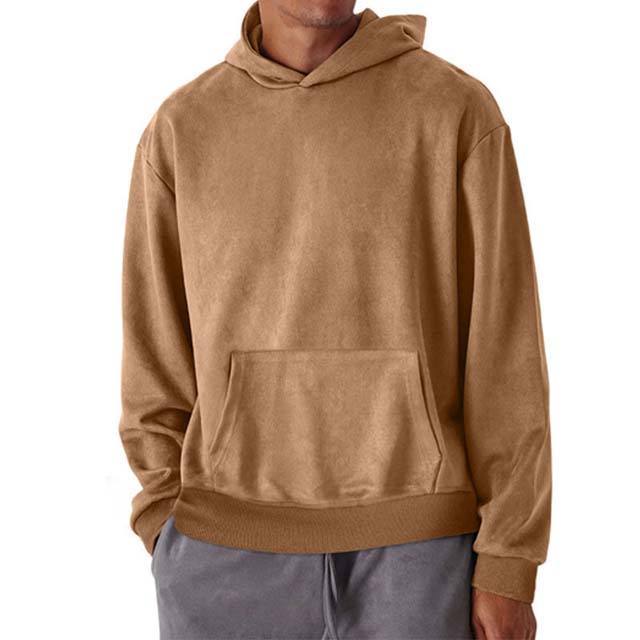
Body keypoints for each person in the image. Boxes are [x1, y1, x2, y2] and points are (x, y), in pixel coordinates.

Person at [119, 1, 551, 638]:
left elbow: (505, 350)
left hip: (419, 552)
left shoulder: (454, 110)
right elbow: (151, 358)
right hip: (224, 556)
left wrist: (509, 560)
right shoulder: (182, 129)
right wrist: (165, 521)